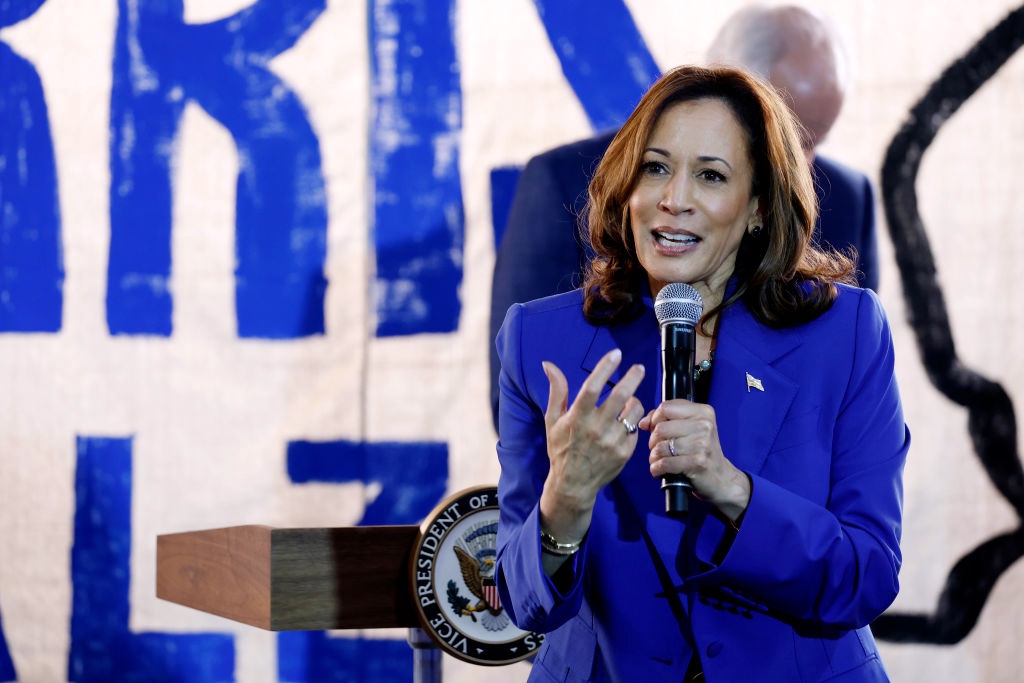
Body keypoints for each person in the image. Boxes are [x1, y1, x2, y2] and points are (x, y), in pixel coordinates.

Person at [493, 65, 908, 681]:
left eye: (710, 176)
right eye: (655, 167)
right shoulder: (541, 340)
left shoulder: (844, 334)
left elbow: (866, 577)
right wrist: (566, 497)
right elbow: (524, 604)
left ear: (759, 208)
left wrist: (732, 489)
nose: (674, 199)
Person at [488, 3, 878, 427]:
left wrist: (734, 482)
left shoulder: (848, 197)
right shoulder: (559, 179)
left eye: (814, 137)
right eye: (788, 133)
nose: (799, 168)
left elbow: (852, 414)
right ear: (725, 81)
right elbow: (522, 396)